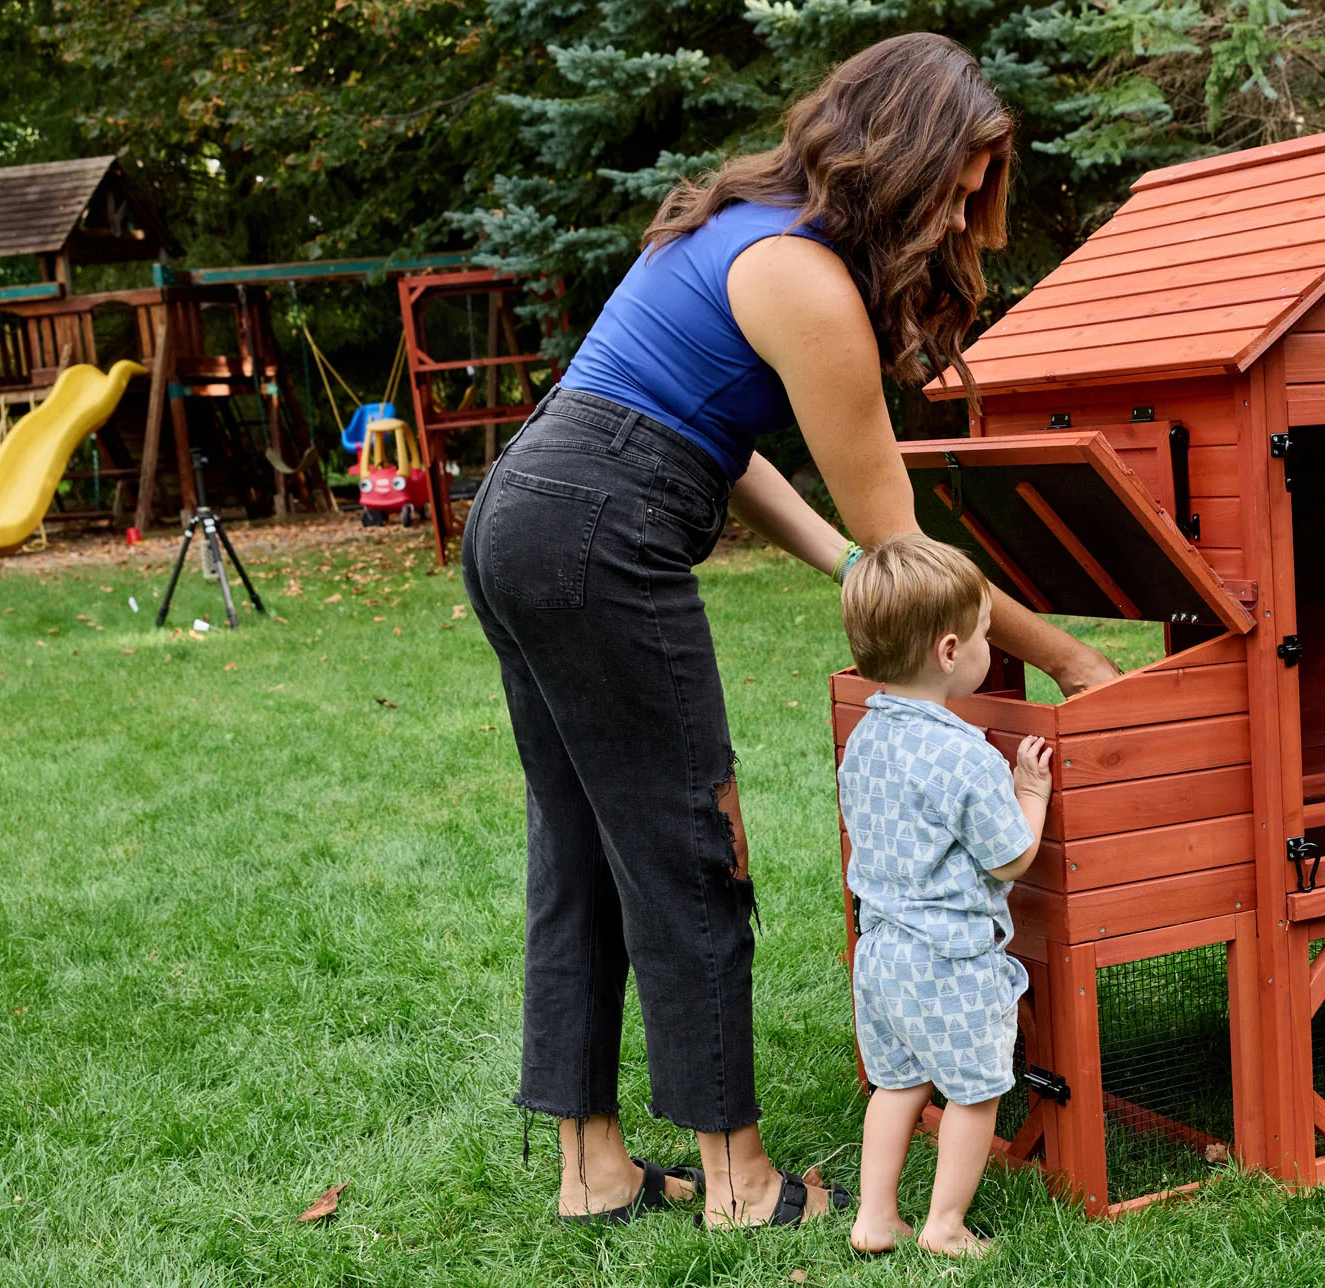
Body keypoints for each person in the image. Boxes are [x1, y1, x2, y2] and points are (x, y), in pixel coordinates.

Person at [459, 32, 1116, 1228]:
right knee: (695, 847)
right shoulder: (810, 283)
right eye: (963, 178)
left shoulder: (737, 225)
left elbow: (720, 437)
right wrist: (1068, 656)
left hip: (523, 515)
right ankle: (738, 1183)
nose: (971, 206)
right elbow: (909, 557)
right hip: (600, 532)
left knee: (581, 853)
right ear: (909, 157)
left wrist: (834, 559)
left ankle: (594, 1171)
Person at [832, 535, 1050, 1257]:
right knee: (973, 1091)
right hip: (951, 961)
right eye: (989, 635)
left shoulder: (863, 737)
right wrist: (1029, 791)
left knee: (897, 1087)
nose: (992, 648)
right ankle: (945, 1225)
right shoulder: (965, 756)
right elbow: (1013, 856)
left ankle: (874, 1217)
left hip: (882, 953)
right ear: (951, 651)